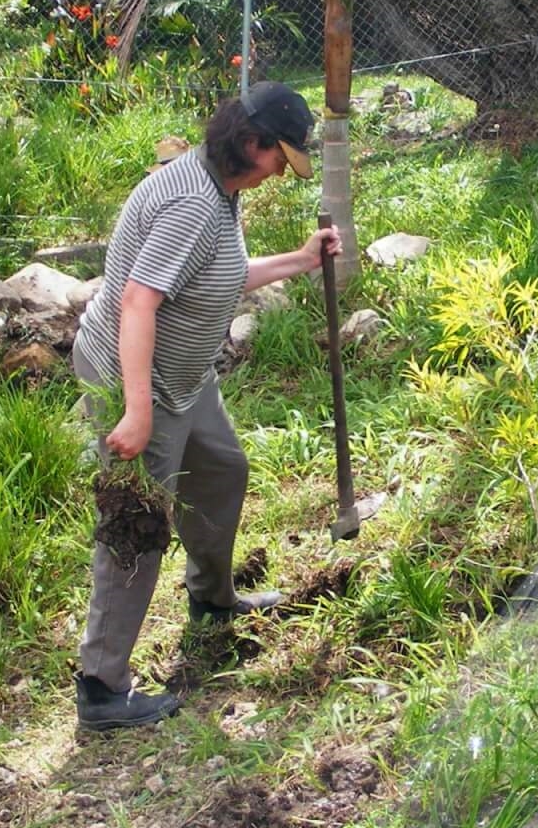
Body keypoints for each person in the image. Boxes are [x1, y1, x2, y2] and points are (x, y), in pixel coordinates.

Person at [70, 82, 342, 731]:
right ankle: (102, 688)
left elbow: (219, 274)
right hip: (136, 382)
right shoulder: (193, 201)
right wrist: (136, 413)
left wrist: (298, 262)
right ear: (252, 144)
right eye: (280, 158)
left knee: (222, 473)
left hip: (186, 380)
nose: (281, 172)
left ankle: (213, 601)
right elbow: (139, 301)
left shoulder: (220, 188)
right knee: (134, 530)